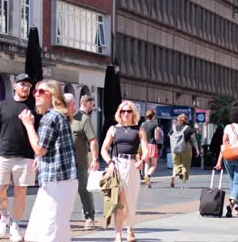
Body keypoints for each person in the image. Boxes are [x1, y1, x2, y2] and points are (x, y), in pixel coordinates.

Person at [20, 79, 78, 242]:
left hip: (57, 180)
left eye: (41, 91)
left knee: (48, 231)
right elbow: (51, 147)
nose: (36, 94)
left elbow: (40, 148)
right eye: (35, 91)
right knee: (55, 229)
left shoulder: (50, 117)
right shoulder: (59, 116)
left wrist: (29, 125)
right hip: (62, 180)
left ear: (53, 95)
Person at [0, 73, 36, 242]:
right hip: (2, 154)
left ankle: (15, 226)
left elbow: (39, 133)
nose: (25, 88)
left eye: (28, 85)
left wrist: (39, 155)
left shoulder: (34, 106)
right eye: (22, 84)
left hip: (26, 156)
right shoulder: (3, 106)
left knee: (21, 192)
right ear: (15, 86)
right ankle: (4, 217)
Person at [101, 100, 149, 242]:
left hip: (133, 165)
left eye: (128, 111)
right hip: (117, 165)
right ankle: (118, 233)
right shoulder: (113, 129)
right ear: (119, 113)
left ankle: (130, 229)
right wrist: (109, 162)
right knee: (119, 201)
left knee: (131, 201)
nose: (126, 114)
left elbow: (145, 150)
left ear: (133, 113)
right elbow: (104, 149)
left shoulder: (139, 129)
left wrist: (142, 160)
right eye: (123, 111)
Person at [70, 94, 100, 230]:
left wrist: (94, 159)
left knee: (83, 189)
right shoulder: (62, 118)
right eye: (92, 105)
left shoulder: (84, 119)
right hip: (63, 164)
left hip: (80, 162)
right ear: (88, 104)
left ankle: (89, 217)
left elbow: (92, 140)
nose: (92, 107)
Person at [169, 114, 200, 189]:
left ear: (178, 120)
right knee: (185, 166)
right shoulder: (189, 129)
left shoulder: (173, 128)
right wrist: (197, 149)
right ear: (186, 120)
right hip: (185, 149)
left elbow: (170, 137)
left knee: (176, 164)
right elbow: (194, 140)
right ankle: (183, 184)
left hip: (174, 149)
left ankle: (173, 176)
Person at [141, 109, 159, 188]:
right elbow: (156, 137)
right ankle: (148, 175)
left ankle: (145, 178)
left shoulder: (143, 124)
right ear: (154, 116)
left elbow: (140, 136)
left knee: (147, 163)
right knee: (154, 165)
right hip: (152, 145)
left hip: (144, 145)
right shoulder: (155, 125)